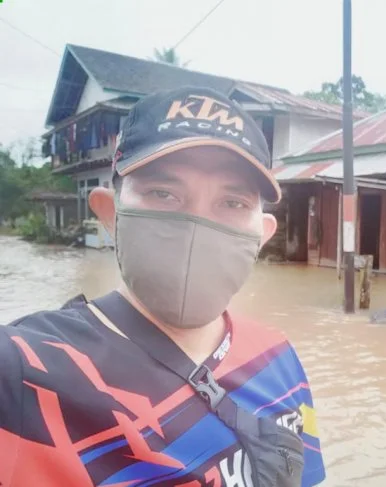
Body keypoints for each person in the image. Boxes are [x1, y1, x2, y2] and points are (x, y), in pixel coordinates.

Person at [0, 86, 326, 487]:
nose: (196, 225)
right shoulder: (26, 373)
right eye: (163, 193)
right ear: (110, 214)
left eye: (233, 203)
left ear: (263, 234)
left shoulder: (279, 358)